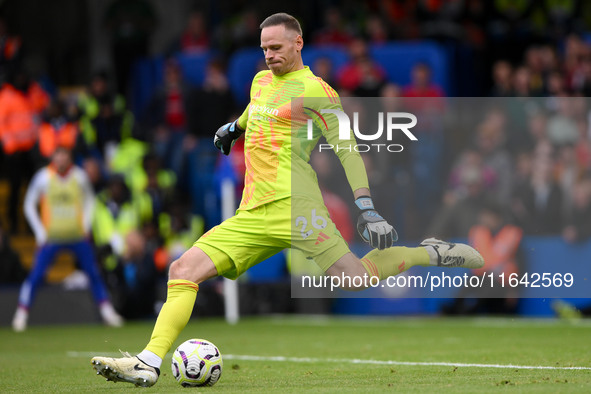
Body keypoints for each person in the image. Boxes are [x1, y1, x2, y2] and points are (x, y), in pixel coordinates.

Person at [91, 13, 484, 387]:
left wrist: (366, 207)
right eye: (264, 48)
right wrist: (233, 127)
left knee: (355, 278)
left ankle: (429, 253)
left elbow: (347, 150)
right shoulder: (261, 80)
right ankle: (148, 363)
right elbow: (255, 110)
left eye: (277, 47)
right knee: (182, 269)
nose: (269, 55)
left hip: (298, 208)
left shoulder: (317, 92)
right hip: (253, 211)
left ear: (298, 43)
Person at [11, 147, 123, 332]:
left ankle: (107, 313)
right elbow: (28, 204)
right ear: (53, 157)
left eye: (65, 155)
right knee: (36, 275)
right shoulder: (43, 177)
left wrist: (85, 226)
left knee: (94, 273)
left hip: (77, 236)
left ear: (69, 158)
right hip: (52, 237)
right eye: (58, 155)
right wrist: (40, 232)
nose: (61, 159)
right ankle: (21, 315)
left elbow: (90, 201)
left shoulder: (79, 177)